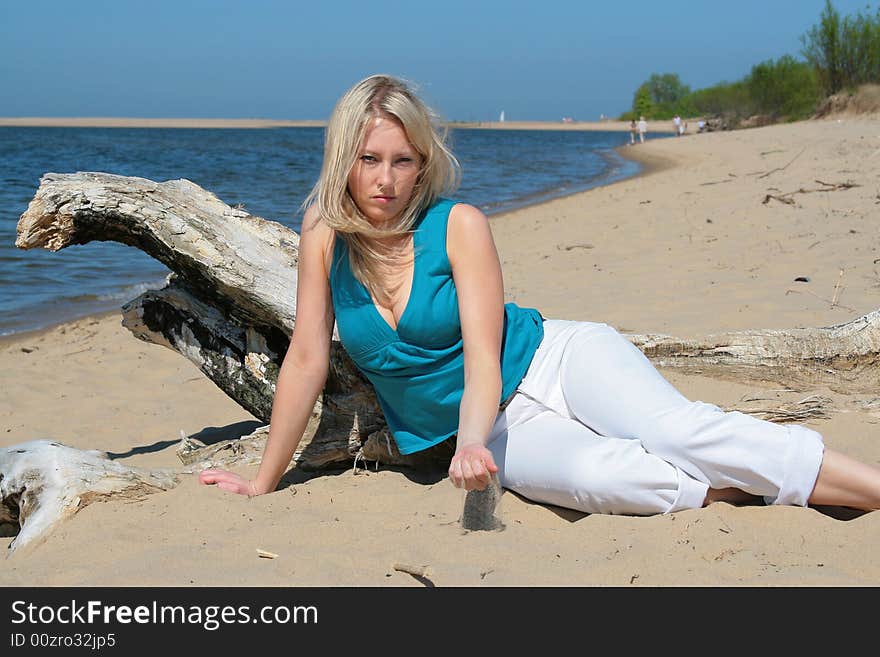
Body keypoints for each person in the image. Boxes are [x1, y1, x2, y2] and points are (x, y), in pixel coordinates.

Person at [199, 74, 880, 517]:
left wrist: (466, 444)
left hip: (555, 359)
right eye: (368, 159)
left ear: (422, 164)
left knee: (675, 429)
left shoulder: (458, 225)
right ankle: (741, 481)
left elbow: (484, 355)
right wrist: (264, 478)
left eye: (402, 161)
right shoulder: (323, 230)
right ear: (342, 156)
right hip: (503, 427)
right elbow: (308, 358)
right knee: (608, 482)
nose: (385, 179)